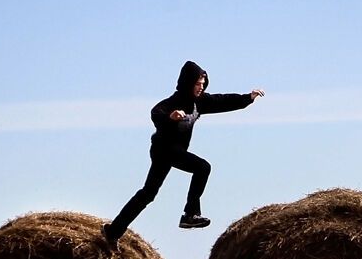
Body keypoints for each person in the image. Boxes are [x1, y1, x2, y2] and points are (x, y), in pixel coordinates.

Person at [102, 60, 264, 248]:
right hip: (163, 149)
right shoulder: (174, 102)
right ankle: (190, 214)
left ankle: (113, 231)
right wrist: (170, 117)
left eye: (203, 84)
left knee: (148, 193)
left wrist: (248, 98)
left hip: (175, 151)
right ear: (188, 83)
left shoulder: (200, 102)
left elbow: (222, 101)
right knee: (202, 167)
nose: (200, 88)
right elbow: (156, 112)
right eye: (197, 84)